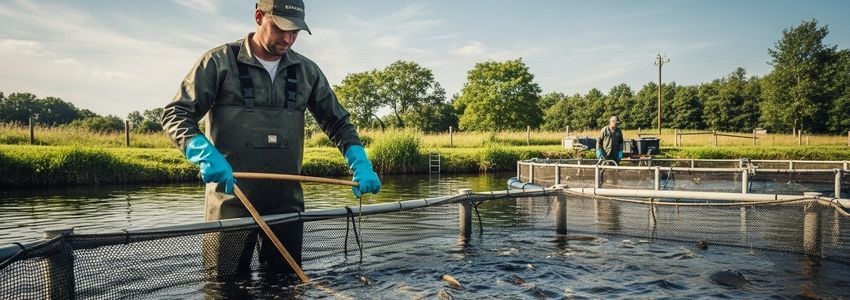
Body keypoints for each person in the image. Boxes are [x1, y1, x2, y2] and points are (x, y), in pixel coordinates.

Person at [161, 0, 381, 279]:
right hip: (231, 201)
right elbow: (176, 114)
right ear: (258, 17)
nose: (288, 38)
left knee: (286, 285)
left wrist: (359, 161)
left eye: (296, 32)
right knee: (224, 287)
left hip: (286, 203)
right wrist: (202, 151)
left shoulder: (307, 71)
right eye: (281, 28)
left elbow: (338, 122)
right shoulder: (218, 61)